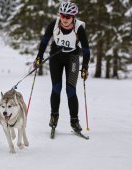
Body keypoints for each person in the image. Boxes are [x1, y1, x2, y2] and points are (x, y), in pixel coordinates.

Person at [34, 1, 90, 133]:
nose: (65, 19)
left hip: (73, 59)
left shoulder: (79, 28)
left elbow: (86, 50)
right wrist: (39, 57)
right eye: (63, 15)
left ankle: (74, 121)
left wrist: (85, 66)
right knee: (56, 88)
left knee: (71, 90)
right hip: (55, 57)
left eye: (68, 17)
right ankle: (54, 116)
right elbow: (44, 41)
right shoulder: (54, 24)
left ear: (73, 17)